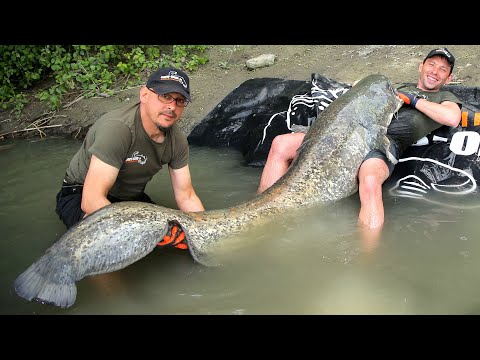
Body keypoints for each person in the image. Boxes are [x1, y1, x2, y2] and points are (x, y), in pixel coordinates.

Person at [256, 47, 462, 246]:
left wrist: (413, 100)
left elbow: (452, 118)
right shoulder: (395, 88)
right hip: (349, 132)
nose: (435, 71)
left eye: (442, 69)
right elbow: (358, 86)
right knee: (280, 143)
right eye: (431, 65)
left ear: (449, 78)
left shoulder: (444, 98)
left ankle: (367, 257)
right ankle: (260, 210)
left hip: (382, 144)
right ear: (421, 66)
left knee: (371, 181)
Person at [55, 66, 204, 248]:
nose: (172, 106)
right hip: (79, 194)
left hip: (129, 200)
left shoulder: (177, 140)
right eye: (165, 96)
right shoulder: (118, 129)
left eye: (180, 101)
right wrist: (146, 228)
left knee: (183, 237)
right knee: (107, 247)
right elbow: (91, 200)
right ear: (144, 95)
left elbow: (187, 196)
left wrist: (202, 232)